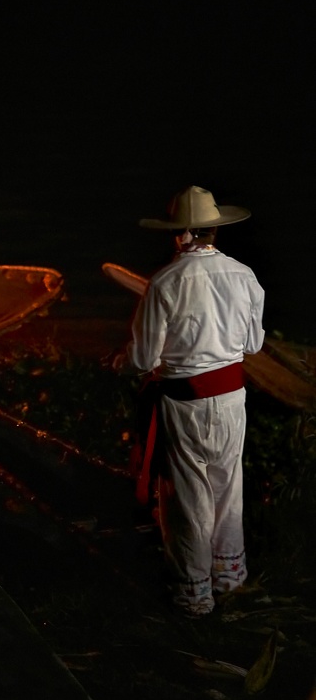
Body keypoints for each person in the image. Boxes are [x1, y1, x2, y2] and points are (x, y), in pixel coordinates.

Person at [117, 185, 265, 617]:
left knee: (187, 495)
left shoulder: (165, 283)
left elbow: (144, 358)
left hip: (185, 402)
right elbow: (253, 344)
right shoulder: (246, 276)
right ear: (213, 232)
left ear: (180, 234)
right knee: (227, 487)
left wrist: (120, 362)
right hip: (232, 398)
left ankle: (194, 596)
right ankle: (229, 578)